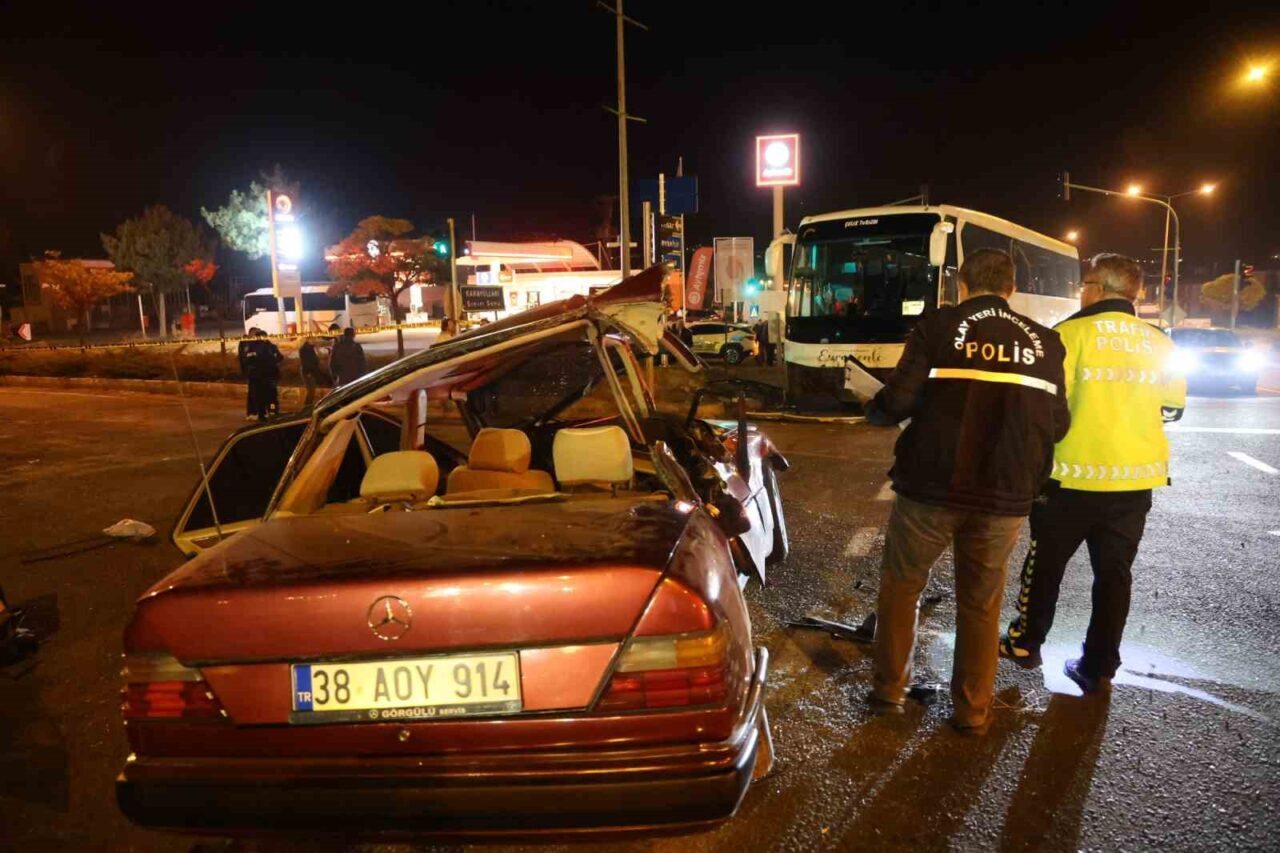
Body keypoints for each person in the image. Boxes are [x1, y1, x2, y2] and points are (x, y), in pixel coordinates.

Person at [861, 248, 1070, 734]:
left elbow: (901, 399)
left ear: (962, 285)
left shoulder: (937, 326)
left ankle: (888, 691)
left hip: (932, 485)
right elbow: (1058, 424)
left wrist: (875, 408)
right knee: (980, 602)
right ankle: (973, 711)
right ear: (1011, 289)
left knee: (903, 586)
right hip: (1005, 494)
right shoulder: (1045, 342)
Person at [1001, 254, 1186, 693]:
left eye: (1084, 283)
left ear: (1098, 289)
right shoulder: (1161, 342)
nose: (1081, 291)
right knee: (1114, 575)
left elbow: (1043, 407)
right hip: (1134, 480)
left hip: (1069, 477)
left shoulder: (1067, 334)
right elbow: (1172, 407)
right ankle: (1099, 664)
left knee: (1044, 565)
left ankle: (1026, 643)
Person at [241, 328, 283, 421]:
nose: (263, 338)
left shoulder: (271, 346)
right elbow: (248, 360)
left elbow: (280, 357)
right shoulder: (251, 347)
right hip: (257, 376)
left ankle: (273, 411)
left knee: (272, 395)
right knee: (259, 396)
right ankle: (261, 413)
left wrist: (272, 361)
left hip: (269, 375)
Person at [298, 337, 329, 408]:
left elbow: (317, 358)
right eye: (312, 339)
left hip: (312, 371)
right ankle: (307, 406)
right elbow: (305, 361)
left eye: (314, 339)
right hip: (308, 372)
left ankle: (308, 406)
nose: (314, 340)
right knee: (311, 390)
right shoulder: (304, 349)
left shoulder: (311, 348)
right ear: (308, 340)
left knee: (312, 390)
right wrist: (308, 372)